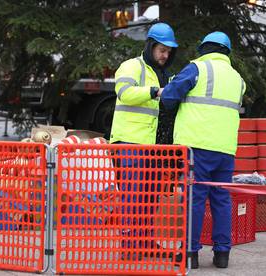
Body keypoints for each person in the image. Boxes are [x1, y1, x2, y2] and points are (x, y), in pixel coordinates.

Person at [159, 31, 246, 269]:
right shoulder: (237, 78)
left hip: (197, 147)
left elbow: (169, 98)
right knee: (221, 199)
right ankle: (222, 255)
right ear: (226, 52)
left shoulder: (197, 68)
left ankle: (191, 253)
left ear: (204, 48)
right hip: (226, 148)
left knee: (194, 199)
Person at [109, 22, 178, 260]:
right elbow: (125, 93)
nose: (165, 55)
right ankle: (129, 246)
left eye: (169, 51)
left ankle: (145, 242)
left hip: (152, 147)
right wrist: (154, 91)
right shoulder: (131, 66)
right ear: (150, 46)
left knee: (149, 196)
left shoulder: (165, 74)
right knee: (132, 196)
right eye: (161, 50)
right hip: (129, 143)